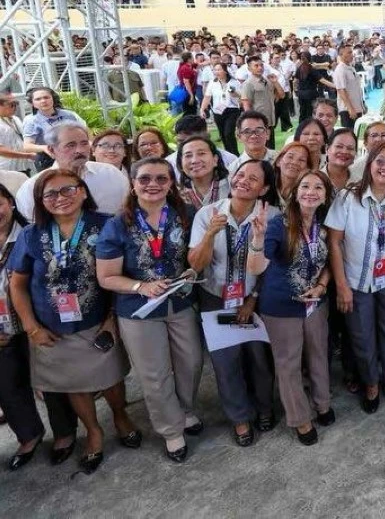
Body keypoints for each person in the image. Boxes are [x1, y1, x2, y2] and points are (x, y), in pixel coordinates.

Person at [7, 171, 138, 474]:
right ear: (40, 201)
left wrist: (112, 320)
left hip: (100, 321)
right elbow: (17, 285)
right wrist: (32, 327)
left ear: (82, 191)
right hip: (51, 329)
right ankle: (93, 431)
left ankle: (121, 417)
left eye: (68, 189)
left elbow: (127, 273)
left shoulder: (106, 224)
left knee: (111, 377)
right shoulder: (31, 234)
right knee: (73, 384)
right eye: (50, 194)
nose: (60, 198)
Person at [96, 157, 203, 463]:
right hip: (138, 311)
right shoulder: (117, 225)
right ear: (133, 183)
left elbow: (199, 255)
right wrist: (140, 287)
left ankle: (184, 410)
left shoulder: (187, 215)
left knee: (192, 362)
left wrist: (191, 271)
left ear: (171, 183)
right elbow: (106, 277)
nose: (153, 185)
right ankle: (171, 430)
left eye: (161, 178)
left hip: (180, 302)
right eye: (144, 179)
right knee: (155, 374)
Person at [187, 159, 280, 446]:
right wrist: (210, 233)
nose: (244, 181)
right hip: (215, 298)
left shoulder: (273, 215)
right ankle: (240, 417)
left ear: (264, 188)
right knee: (226, 361)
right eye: (240, 175)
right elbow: (195, 263)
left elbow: (274, 265)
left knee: (258, 358)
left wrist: (252, 298)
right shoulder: (207, 213)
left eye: (254, 179)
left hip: (255, 298)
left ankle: (264, 408)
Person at [249, 170, 336, 445]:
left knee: (319, 354)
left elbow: (329, 263)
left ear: (325, 195)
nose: (311, 192)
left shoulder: (324, 223)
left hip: (315, 303)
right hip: (281, 306)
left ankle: (322, 403)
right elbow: (256, 266)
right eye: (305, 187)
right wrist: (258, 240)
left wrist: (321, 287)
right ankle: (300, 418)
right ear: (295, 193)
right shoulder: (277, 224)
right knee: (288, 364)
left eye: (318, 187)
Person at [325, 143, 385, 412]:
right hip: (355, 282)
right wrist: (341, 286)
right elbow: (334, 242)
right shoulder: (348, 198)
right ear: (369, 164)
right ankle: (371, 383)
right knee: (361, 336)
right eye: (380, 161)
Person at [0, 182, 43, 470]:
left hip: (38, 323)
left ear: (10, 203)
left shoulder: (31, 235)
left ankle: (65, 434)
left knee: (50, 386)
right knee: (7, 387)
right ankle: (30, 435)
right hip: (1, 332)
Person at [16, 122, 130, 222]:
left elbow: (128, 211)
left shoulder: (111, 174)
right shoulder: (33, 187)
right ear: (51, 150)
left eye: (84, 143)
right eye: (70, 145)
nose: (79, 150)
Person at [20, 87, 83, 172]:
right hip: (48, 159)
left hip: (72, 154)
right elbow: (27, 146)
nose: (43, 101)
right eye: (38, 99)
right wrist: (45, 148)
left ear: (53, 98)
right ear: (33, 104)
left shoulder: (68, 115)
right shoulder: (31, 121)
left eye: (46, 97)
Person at [239, 57, 284, 149]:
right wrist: (251, 123)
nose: (260, 68)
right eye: (256, 66)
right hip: (258, 123)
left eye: (261, 65)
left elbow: (282, 95)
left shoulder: (268, 81)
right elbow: (246, 104)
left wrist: (275, 82)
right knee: (260, 149)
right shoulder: (248, 84)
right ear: (249, 68)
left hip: (269, 121)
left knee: (270, 149)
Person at [176, 136, 230, 211]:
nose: (194, 160)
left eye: (201, 153)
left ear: (215, 159)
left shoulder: (232, 186)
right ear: (180, 164)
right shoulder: (176, 194)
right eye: (188, 155)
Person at [200, 62, 242, 154]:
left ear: (225, 71)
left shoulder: (234, 82)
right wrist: (202, 109)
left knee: (228, 133)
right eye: (215, 70)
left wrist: (234, 93)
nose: (216, 72)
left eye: (219, 69)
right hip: (218, 111)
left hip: (232, 110)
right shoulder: (212, 82)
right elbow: (207, 97)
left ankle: (235, 154)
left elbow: (241, 95)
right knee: (223, 134)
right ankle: (228, 154)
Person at [332, 44, 366, 130]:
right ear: (341, 55)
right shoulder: (340, 70)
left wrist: (362, 104)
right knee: (349, 133)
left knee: (356, 133)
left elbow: (356, 89)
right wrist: (350, 109)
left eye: (352, 52)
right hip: (347, 109)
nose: (352, 55)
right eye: (349, 52)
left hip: (356, 106)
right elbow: (341, 90)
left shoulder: (350, 67)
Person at [0, 94, 35, 173]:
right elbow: (1, 150)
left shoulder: (15, 119)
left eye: (16, 104)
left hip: (24, 166)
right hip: (6, 169)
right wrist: (27, 155)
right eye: (12, 104)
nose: (15, 107)